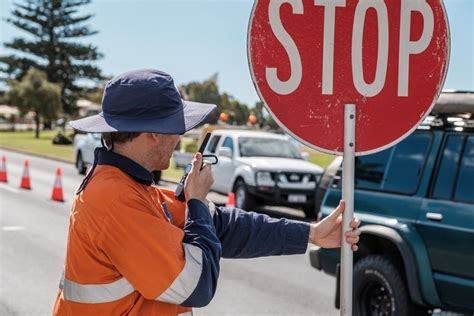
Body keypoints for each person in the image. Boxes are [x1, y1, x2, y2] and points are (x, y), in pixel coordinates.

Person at [53, 69, 360, 316]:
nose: (180, 137)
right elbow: (195, 285)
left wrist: (311, 233)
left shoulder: (133, 189)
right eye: (178, 128)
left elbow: (226, 227)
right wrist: (197, 201)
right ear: (154, 134)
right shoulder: (116, 199)